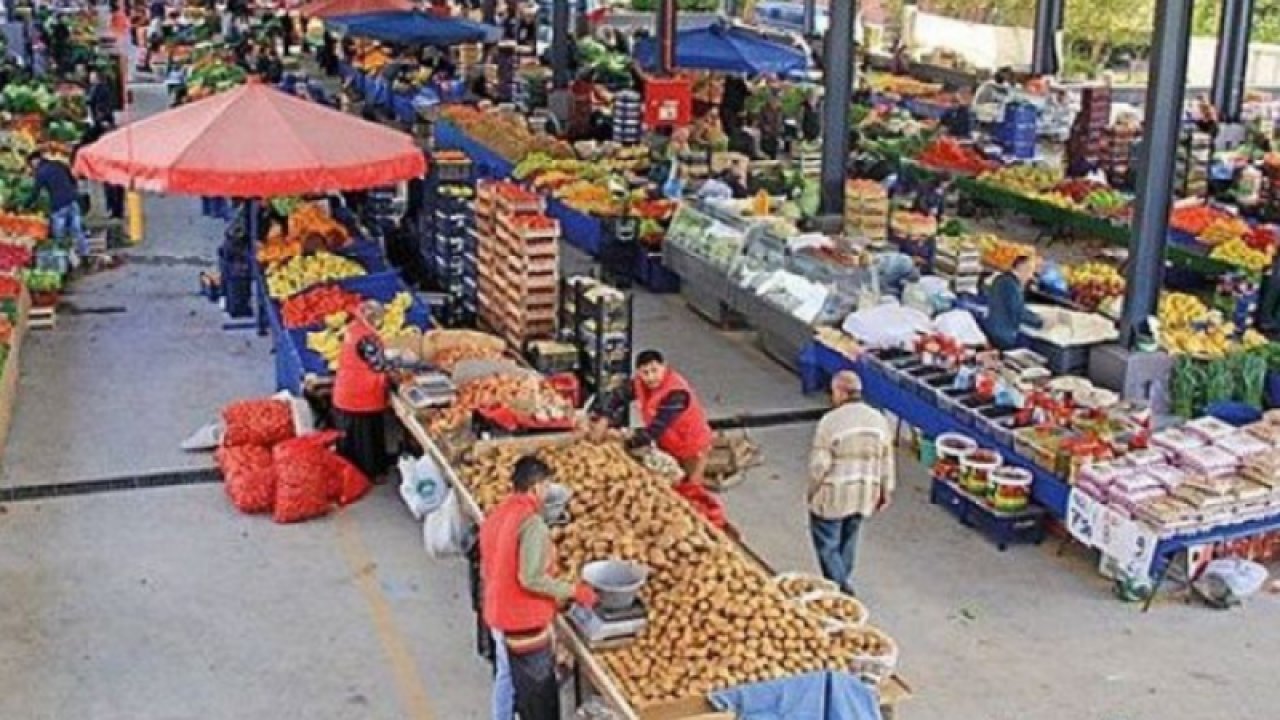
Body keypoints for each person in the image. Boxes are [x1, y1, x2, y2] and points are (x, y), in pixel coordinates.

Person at [479, 456, 598, 720]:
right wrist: (573, 591)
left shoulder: (499, 513)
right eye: (546, 486)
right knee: (539, 696)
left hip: (497, 611)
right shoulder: (532, 524)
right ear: (535, 488)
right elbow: (531, 578)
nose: (547, 492)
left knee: (507, 676)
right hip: (522, 622)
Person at [808, 371, 895, 596]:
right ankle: (840, 582)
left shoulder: (831, 421)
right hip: (865, 494)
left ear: (839, 392)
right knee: (848, 540)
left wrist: (812, 492)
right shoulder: (879, 419)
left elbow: (819, 465)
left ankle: (841, 590)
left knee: (827, 545)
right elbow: (887, 459)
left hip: (834, 495)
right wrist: (886, 490)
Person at [602, 350, 714, 486]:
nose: (650, 377)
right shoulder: (640, 384)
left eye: (654, 370)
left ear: (664, 367)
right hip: (669, 445)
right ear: (638, 373)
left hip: (692, 448)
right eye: (645, 373)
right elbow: (617, 396)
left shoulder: (676, 393)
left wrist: (623, 439)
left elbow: (655, 429)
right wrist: (604, 417)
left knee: (690, 489)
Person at [332, 301, 393, 480]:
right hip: (361, 396)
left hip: (347, 393)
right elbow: (380, 365)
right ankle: (369, 473)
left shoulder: (353, 328)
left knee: (356, 440)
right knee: (366, 439)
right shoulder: (367, 339)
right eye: (379, 319)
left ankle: (356, 473)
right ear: (373, 318)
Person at [28, 152, 89, 264]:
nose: (32, 167)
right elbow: (73, 178)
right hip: (72, 200)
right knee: (77, 230)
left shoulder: (40, 172)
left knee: (59, 235)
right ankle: (85, 256)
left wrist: (26, 205)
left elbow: (35, 192)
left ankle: (64, 261)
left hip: (59, 205)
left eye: (31, 164)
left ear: (34, 161)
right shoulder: (59, 164)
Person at [983, 254, 1044, 351]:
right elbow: (1018, 312)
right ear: (1022, 268)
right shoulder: (1012, 286)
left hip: (990, 329)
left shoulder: (1000, 279)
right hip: (1003, 336)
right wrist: (1040, 321)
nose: (1030, 276)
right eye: (1030, 271)